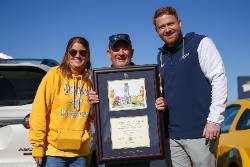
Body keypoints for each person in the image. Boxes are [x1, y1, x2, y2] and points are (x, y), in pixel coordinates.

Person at [152, 6, 228, 167]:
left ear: (180, 23)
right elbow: (164, 92)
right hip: (172, 135)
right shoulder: (161, 56)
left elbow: (219, 79)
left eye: (170, 24)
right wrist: (162, 102)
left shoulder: (201, 43)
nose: (167, 29)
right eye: (162, 27)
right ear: (157, 32)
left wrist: (214, 120)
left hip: (202, 132)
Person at [89, 33, 166, 167]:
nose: (121, 53)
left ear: (132, 52)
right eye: (116, 49)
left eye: (125, 48)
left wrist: (161, 105)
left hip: (141, 150)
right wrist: (91, 104)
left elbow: (156, 110)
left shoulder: (148, 77)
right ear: (109, 53)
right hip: (110, 149)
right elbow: (91, 116)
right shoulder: (98, 81)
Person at [29, 36, 93, 167]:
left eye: (83, 52)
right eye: (73, 52)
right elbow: (38, 111)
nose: (78, 55)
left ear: (87, 56)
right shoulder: (54, 75)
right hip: (53, 154)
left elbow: (91, 117)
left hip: (80, 155)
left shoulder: (90, 81)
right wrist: (38, 146)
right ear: (67, 54)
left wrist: (94, 106)